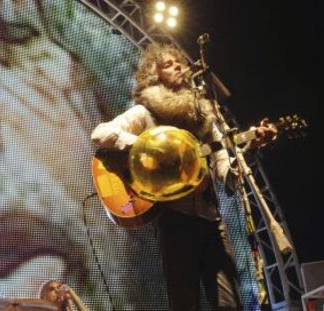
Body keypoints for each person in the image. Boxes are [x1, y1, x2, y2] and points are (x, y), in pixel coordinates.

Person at [91, 43, 277, 311]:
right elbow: (100, 134)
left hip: (211, 221)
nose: (178, 66)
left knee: (229, 305)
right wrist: (152, 147)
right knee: (184, 303)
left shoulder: (205, 120)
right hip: (174, 219)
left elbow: (228, 178)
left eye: (178, 62)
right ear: (155, 75)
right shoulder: (146, 113)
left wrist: (250, 146)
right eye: (168, 64)